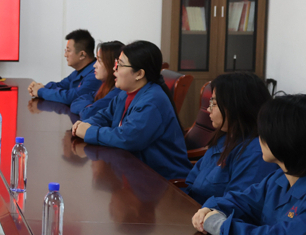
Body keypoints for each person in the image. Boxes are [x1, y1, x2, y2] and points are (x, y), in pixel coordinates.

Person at [193, 94, 306, 235]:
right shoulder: (280, 177)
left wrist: (222, 227)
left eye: (264, 133)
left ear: (286, 138)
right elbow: (241, 201)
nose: (259, 139)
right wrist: (210, 208)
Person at [72, 40, 191, 180]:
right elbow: (105, 116)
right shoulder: (125, 93)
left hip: (163, 181)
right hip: (136, 172)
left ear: (139, 73)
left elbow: (127, 138)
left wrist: (89, 132)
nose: (114, 69)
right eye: (116, 63)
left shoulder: (152, 101)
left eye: (120, 65)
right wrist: (86, 124)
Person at [184, 73, 278, 205]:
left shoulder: (257, 152)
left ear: (236, 107)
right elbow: (192, 181)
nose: (209, 109)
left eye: (214, 103)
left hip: (214, 215)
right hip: (193, 208)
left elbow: (238, 203)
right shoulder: (223, 137)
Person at [28, 29, 101, 105]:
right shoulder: (78, 72)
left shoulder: (95, 75)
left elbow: (71, 97)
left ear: (82, 54)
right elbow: (61, 85)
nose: (65, 55)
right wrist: (42, 87)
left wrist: (40, 91)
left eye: (68, 51)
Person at [70, 41, 125, 120]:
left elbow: (88, 114)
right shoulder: (105, 86)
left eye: (99, 61)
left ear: (113, 64)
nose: (94, 65)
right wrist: (89, 106)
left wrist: (89, 107)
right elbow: (75, 102)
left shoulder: (118, 91)